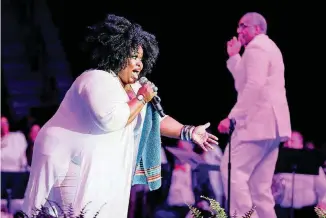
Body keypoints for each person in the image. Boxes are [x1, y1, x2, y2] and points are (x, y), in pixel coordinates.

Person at [21, 14, 218, 218]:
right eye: (134, 57)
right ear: (117, 53)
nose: (139, 64)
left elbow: (156, 120)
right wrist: (142, 97)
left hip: (101, 165)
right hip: (68, 159)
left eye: (141, 59)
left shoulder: (132, 90)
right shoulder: (96, 78)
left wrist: (189, 131)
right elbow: (111, 120)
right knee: (67, 212)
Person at [217, 12, 291, 218]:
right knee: (259, 188)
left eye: (243, 26)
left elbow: (253, 85)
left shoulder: (257, 47)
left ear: (257, 29)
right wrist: (234, 57)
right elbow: (245, 81)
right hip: (272, 128)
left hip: (257, 124)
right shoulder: (269, 48)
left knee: (232, 172)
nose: (238, 31)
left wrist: (233, 117)